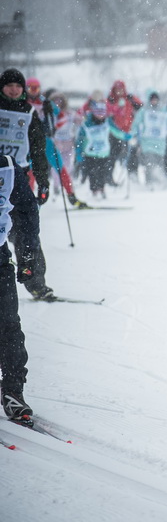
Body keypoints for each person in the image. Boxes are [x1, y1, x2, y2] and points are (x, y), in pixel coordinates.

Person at [0, 68, 53, 300]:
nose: (13, 89)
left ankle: (34, 280)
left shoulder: (30, 112)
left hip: (17, 175)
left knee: (27, 228)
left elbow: (39, 150)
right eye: (9, 85)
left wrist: (43, 181)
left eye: (18, 86)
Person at [0, 154, 41, 422]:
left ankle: (14, 391)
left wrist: (27, 257)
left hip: (0, 258)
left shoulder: (7, 166)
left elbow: (26, 210)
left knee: (9, 326)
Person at [77, 99, 128, 198]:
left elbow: (116, 131)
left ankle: (101, 189)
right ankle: (94, 190)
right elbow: (80, 140)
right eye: (98, 113)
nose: (100, 115)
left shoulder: (107, 122)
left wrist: (126, 136)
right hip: (90, 153)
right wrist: (79, 153)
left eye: (102, 113)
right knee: (92, 173)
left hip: (104, 152)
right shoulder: (87, 124)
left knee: (103, 172)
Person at [105, 79, 142, 176]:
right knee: (113, 154)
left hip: (129, 132)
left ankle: (132, 173)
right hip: (115, 131)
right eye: (117, 89)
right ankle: (109, 176)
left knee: (132, 153)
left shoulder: (129, 99)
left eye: (121, 89)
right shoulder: (111, 100)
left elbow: (140, 106)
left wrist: (133, 100)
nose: (119, 91)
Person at [133, 92, 167, 187]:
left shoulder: (163, 110)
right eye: (152, 99)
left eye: (156, 99)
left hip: (160, 142)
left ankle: (159, 182)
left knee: (159, 163)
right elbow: (136, 122)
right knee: (149, 162)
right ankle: (149, 182)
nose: (154, 101)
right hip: (147, 142)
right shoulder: (144, 110)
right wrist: (132, 133)